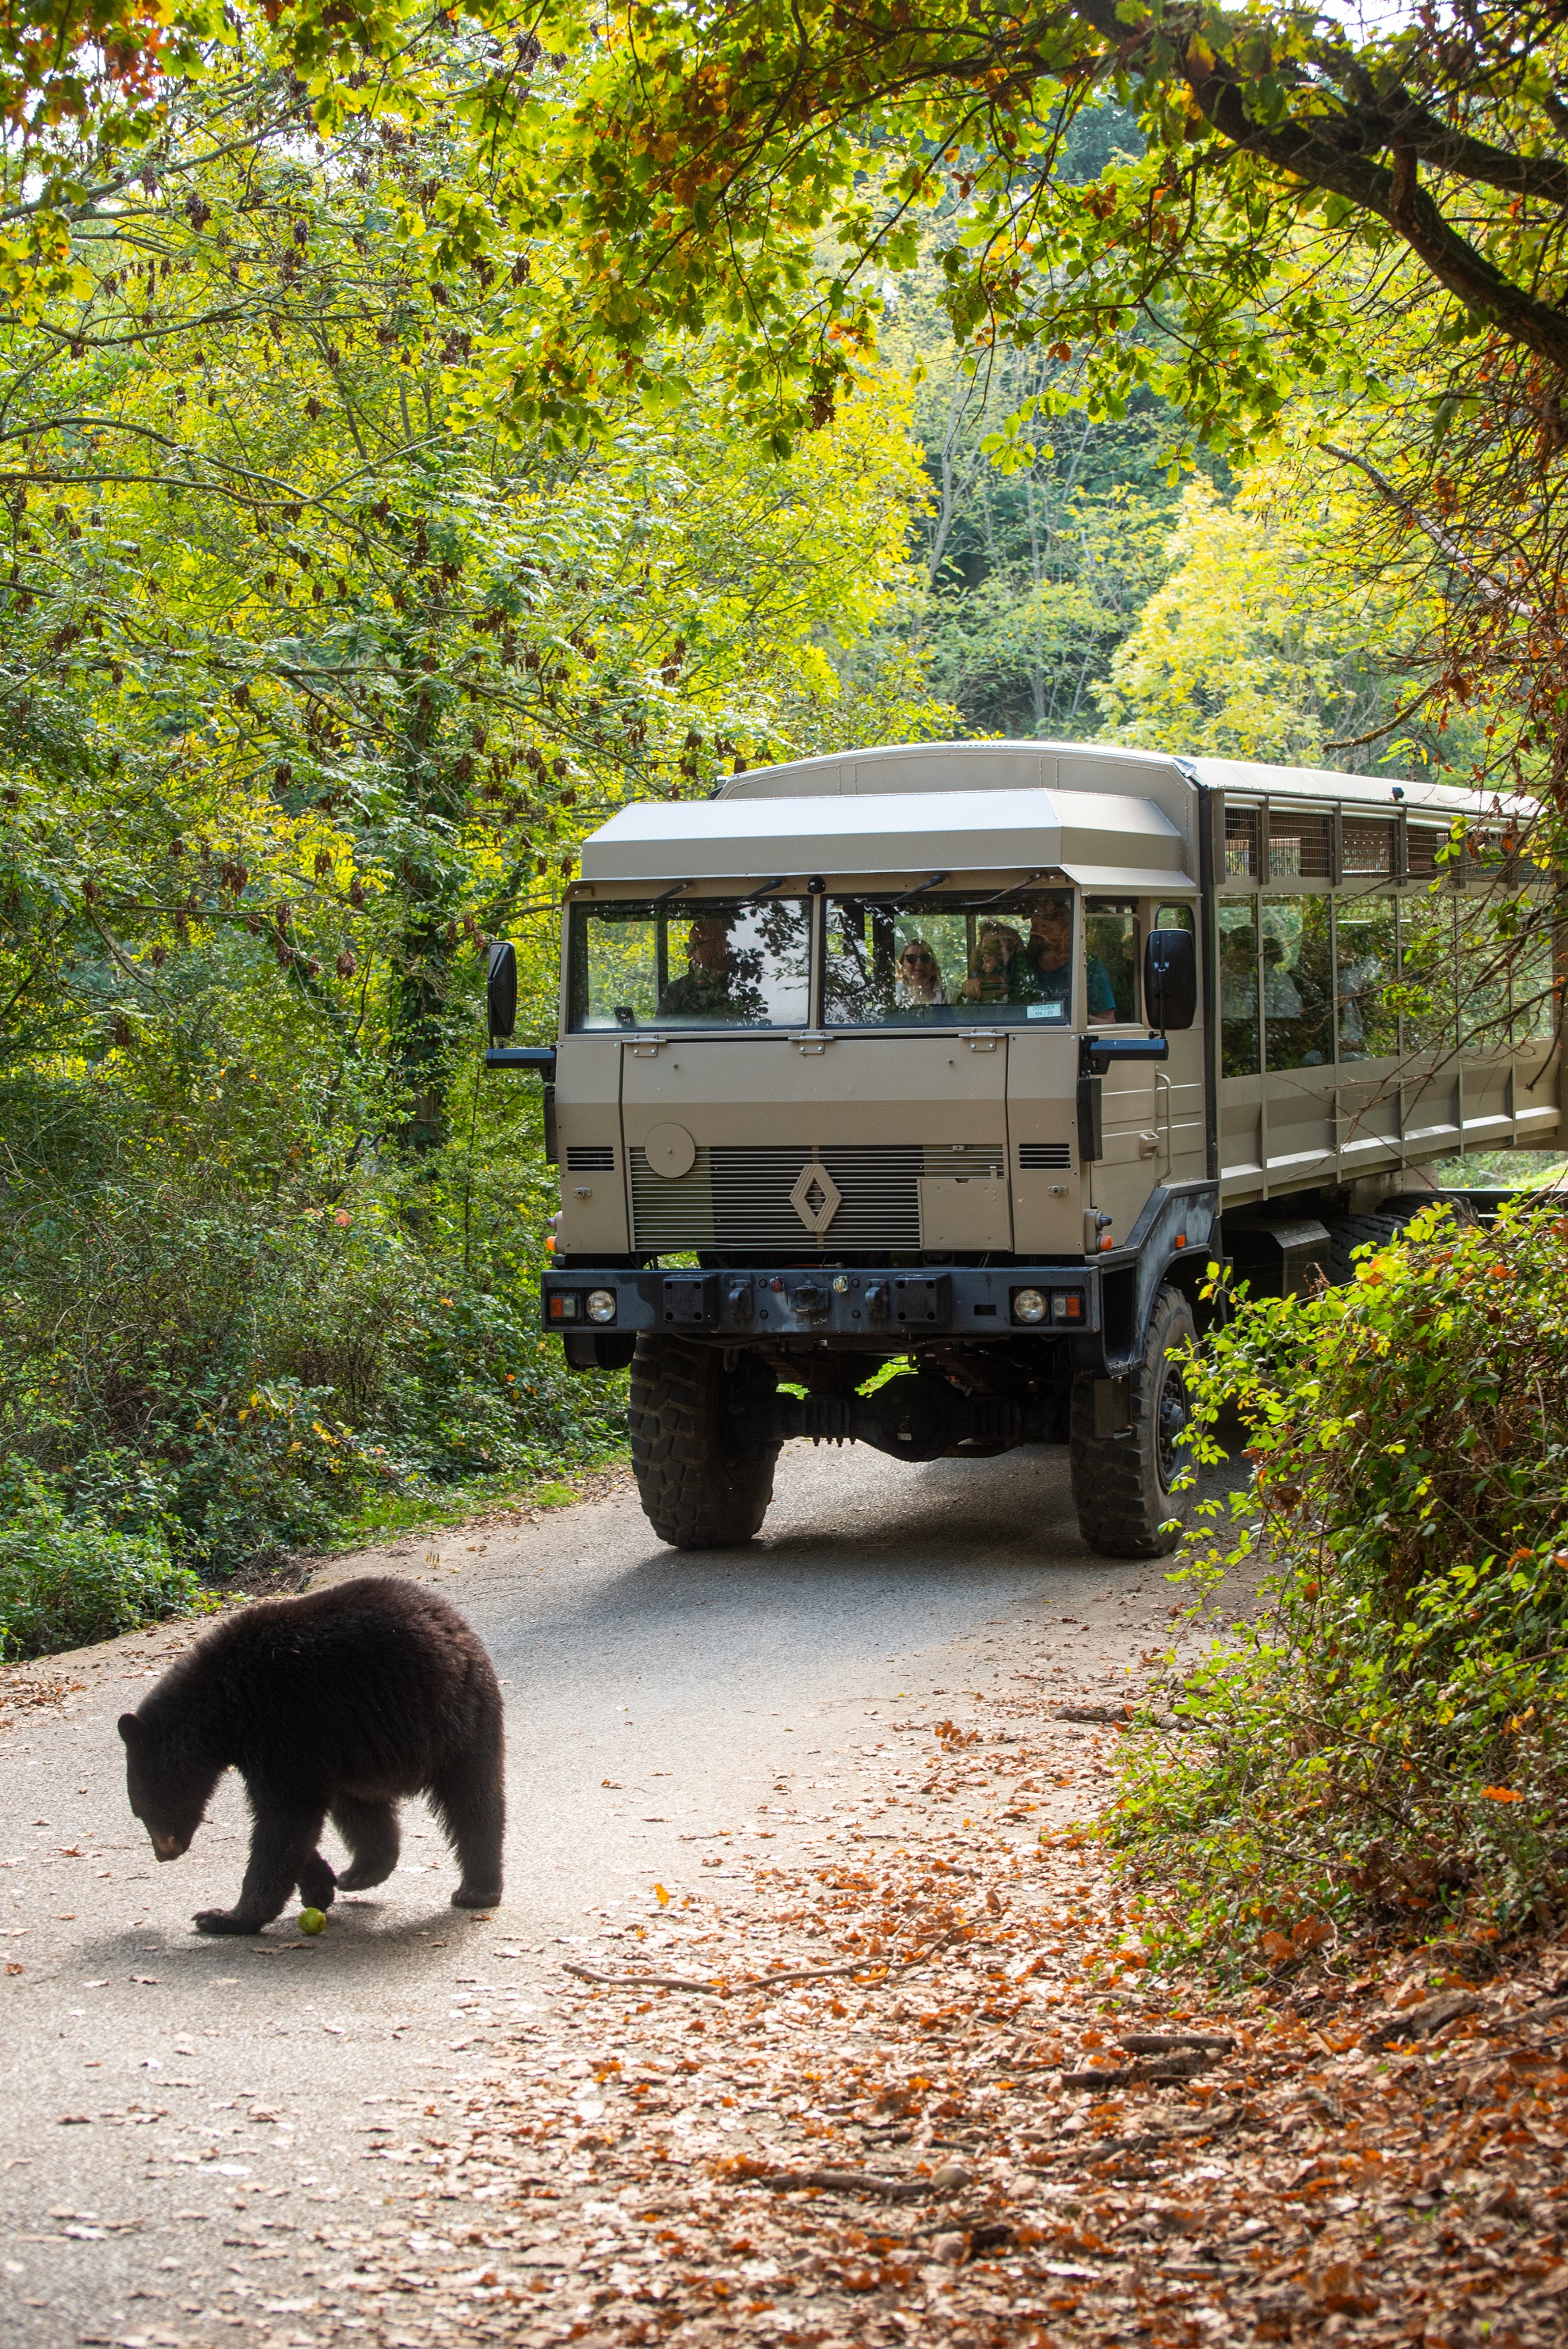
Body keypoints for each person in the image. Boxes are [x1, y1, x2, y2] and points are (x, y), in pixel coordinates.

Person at [1026, 896, 1116, 1023]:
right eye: (1034, 925)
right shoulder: (1024, 963)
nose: (1035, 932)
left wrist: (1080, 1020)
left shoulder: (1088, 966)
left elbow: (1108, 1021)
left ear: (1067, 934)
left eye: (1045, 927)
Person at [659, 915, 755, 1021]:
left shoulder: (747, 986)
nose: (688, 954)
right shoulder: (677, 991)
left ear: (721, 946)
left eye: (694, 946)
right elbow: (660, 1032)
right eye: (688, 946)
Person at [894, 937, 948, 1007]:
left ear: (933, 964)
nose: (919, 962)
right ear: (902, 964)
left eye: (925, 958)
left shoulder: (949, 995)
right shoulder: (894, 994)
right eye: (912, 958)